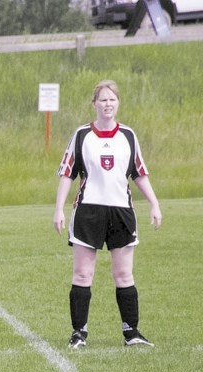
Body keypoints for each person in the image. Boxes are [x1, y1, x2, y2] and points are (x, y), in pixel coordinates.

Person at [53, 80, 162, 349]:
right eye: (102, 100)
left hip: (121, 211)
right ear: (94, 104)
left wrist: (155, 204)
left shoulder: (128, 135)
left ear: (118, 103)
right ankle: (79, 333)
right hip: (88, 211)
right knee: (82, 274)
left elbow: (139, 174)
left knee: (124, 275)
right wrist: (58, 209)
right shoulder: (81, 135)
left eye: (112, 99)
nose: (107, 104)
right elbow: (67, 174)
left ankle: (132, 332)